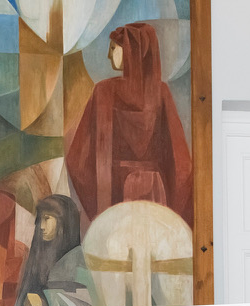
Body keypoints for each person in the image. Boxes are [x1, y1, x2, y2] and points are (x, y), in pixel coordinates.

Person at [64, 21, 193, 224]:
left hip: (113, 192)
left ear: (132, 51)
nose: (109, 56)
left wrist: (97, 198)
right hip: (155, 193)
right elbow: (181, 163)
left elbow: (78, 160)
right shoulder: (160, 93)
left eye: (114, 48)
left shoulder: (104, 91)